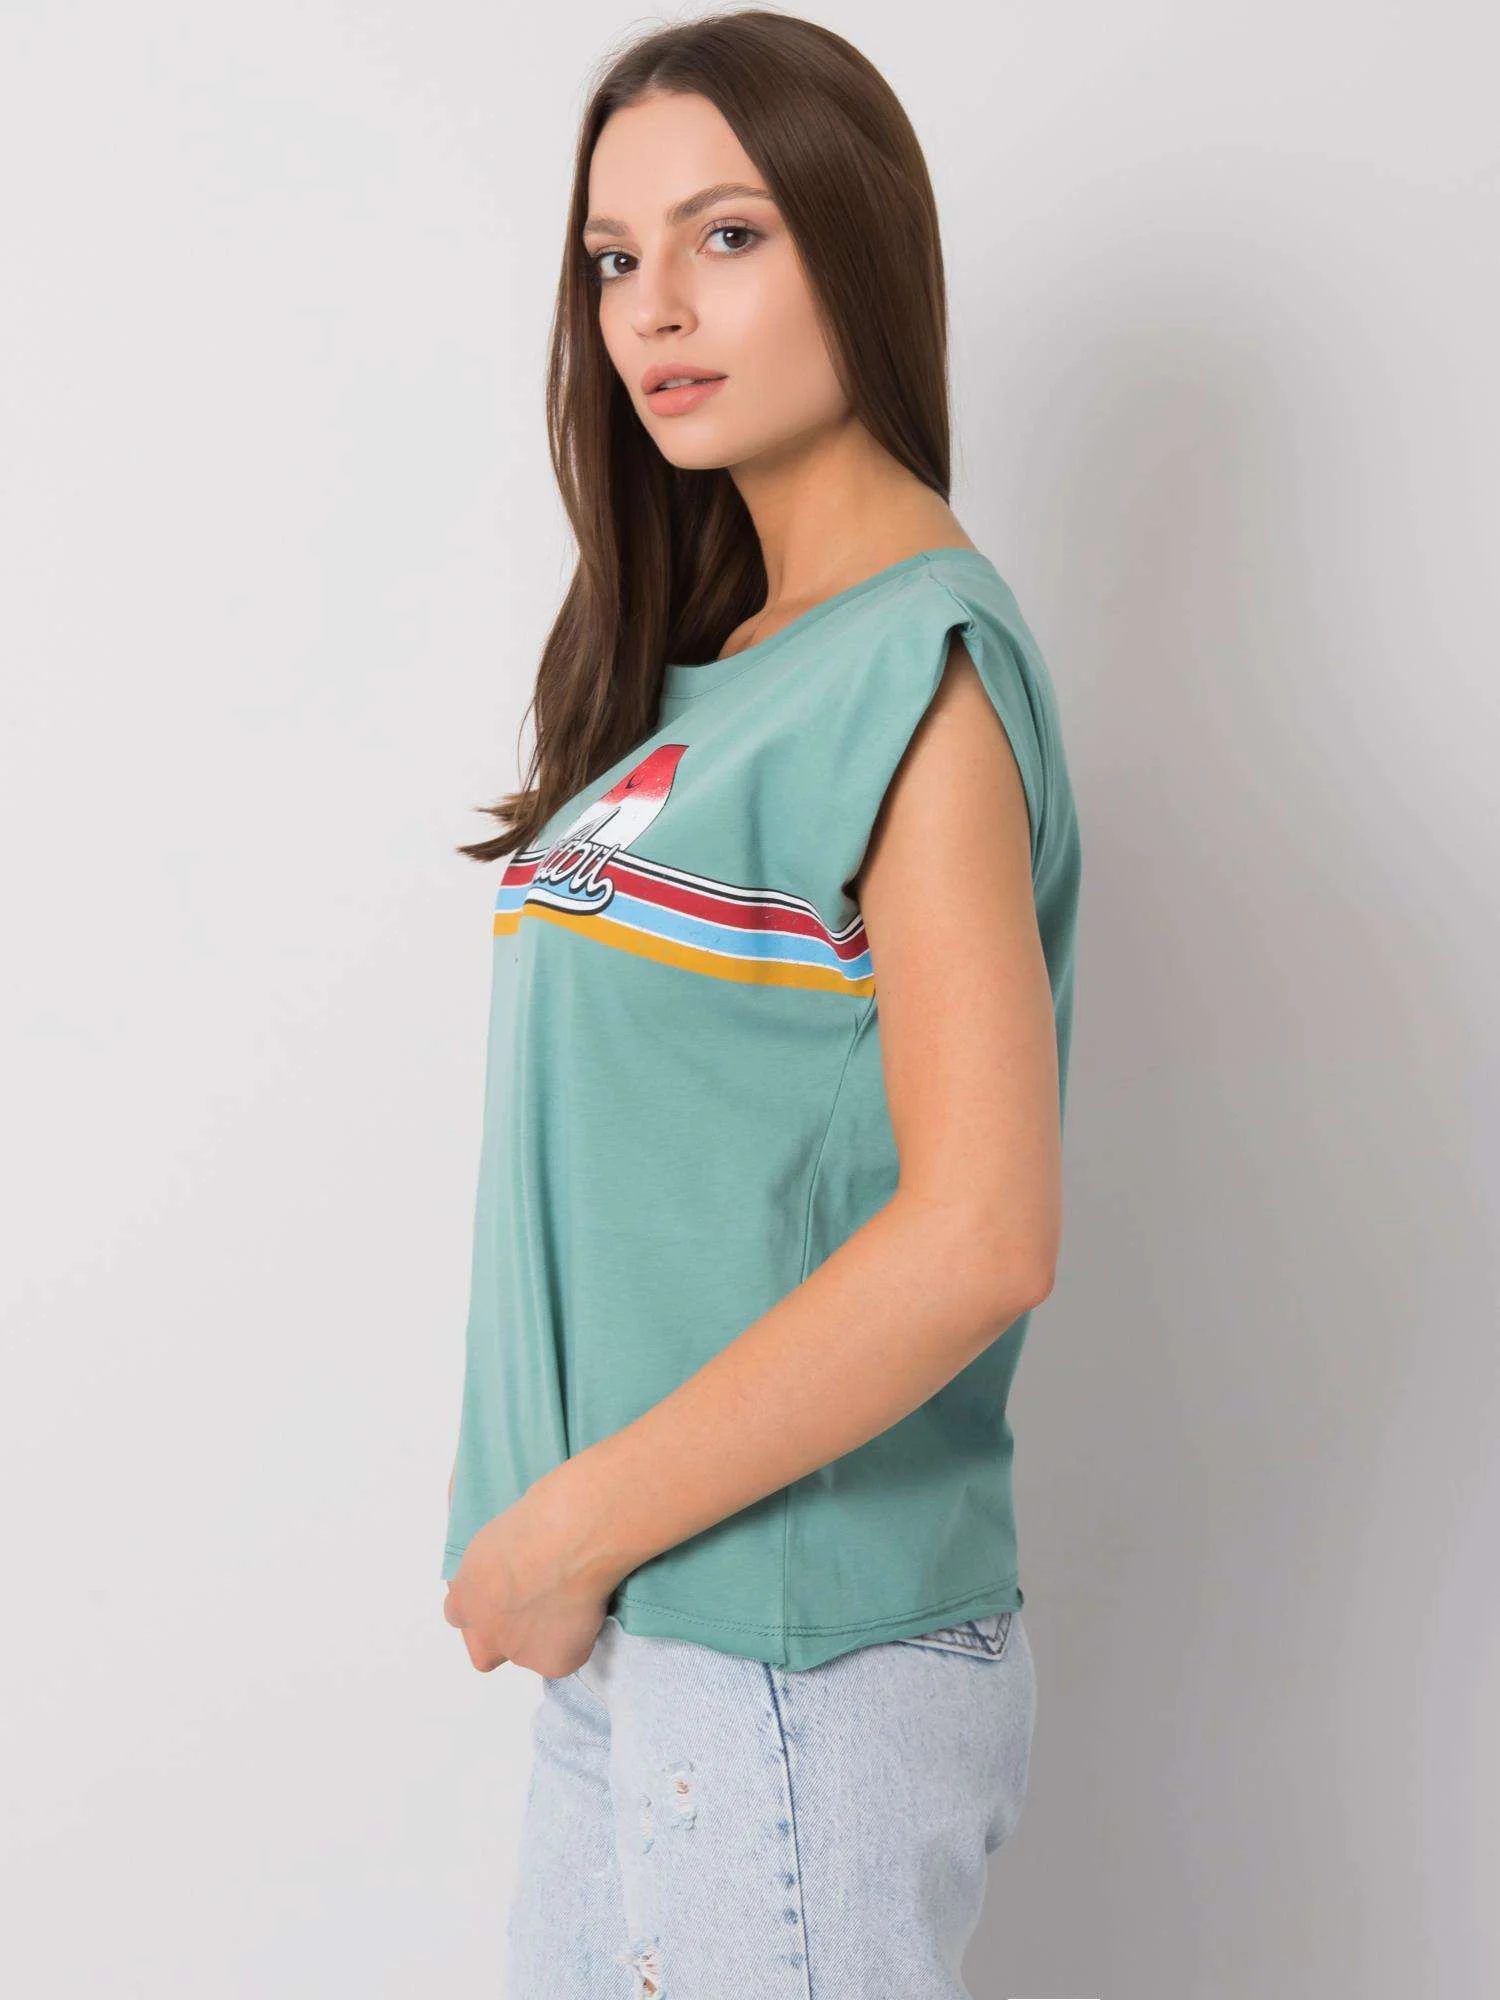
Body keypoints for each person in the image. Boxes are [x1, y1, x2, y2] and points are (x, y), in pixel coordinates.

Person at [439, 11, 1083, 1994]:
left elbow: (982, 1233)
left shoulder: (921, 673)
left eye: (727, 236)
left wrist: (570, 1526)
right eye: (613, 257)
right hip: (656, 1638)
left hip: (793, 1665)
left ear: (856, 243)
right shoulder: (714, 670)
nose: (654, 307)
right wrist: (575, 1550)